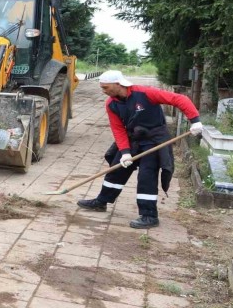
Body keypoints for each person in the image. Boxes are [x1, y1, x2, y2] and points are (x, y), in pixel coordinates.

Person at [77, 70, 203, 229]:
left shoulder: (145, 93)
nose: (104, 91)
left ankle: (149, 215)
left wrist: (195, 120)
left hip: (154, 140)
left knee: (147, 175)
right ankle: (102, 201)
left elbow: (179, 99)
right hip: (133, 139)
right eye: (102, 88)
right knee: (116, 170)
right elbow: (118, 129)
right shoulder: (111, 103)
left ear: (118, 84)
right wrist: (124, 152)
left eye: (105, 87)